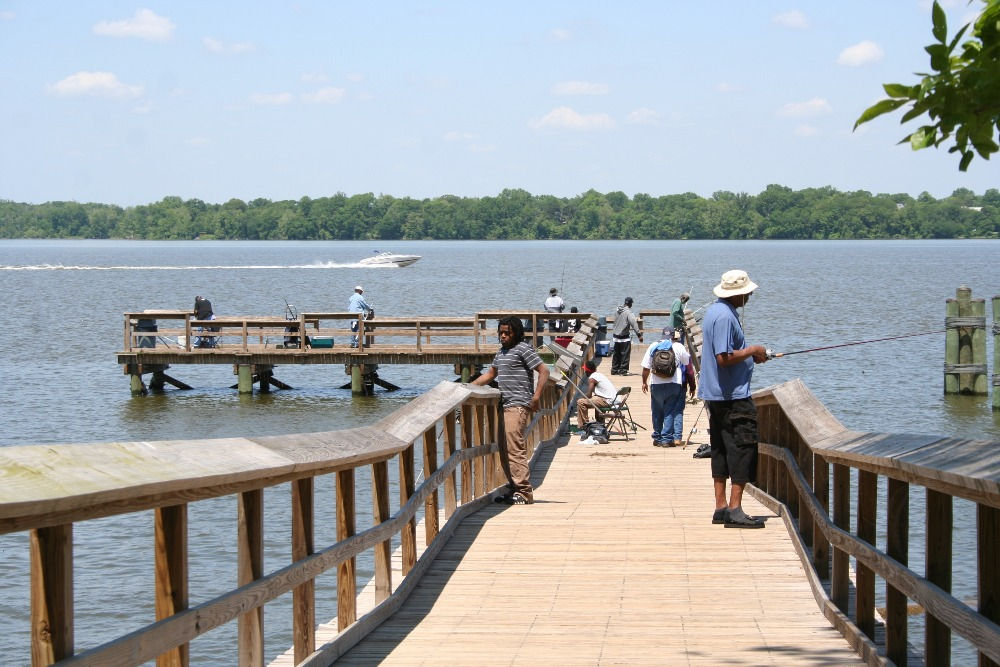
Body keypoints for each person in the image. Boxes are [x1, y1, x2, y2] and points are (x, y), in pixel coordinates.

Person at [698, 269, 769, 529]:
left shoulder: (714, 312)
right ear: (737, 294)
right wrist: (753, 350)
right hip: (732, 396)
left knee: (720, 449)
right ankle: (735, 509)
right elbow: (724, 358)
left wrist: (750, 357)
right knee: (742, 447)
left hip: (717, 395)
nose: (749, 296)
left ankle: (721, 507)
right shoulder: (725, 317)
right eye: (746, 293)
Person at [471, 316, 550, 505]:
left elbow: (544, 371)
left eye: (507, 333)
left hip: (519, 404)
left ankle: (524, 491)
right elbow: (491, 374)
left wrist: (536, 397)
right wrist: (468, 387)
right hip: (504, 405)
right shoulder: (501, 352)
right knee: (504, 448)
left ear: (516, 333)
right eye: (501, 333)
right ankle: (514, 487)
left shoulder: (523, 349)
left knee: (514, 449)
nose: (503, 336)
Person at [641, 326, 690, 447]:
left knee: (657, 411)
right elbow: (686, 362)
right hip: (674, 383)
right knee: (670, 411)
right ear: (673, 336)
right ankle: (667, 439)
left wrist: (644, 382)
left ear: (662, 335)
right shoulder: (678, 346)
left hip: (656, 383)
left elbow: (646, 368)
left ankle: (657, 437)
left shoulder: (654, 345)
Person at [575, 358, 617, 431]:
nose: (585, 372)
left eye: (585, 370)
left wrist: (581, 397)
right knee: (595, 399)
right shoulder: (599, 375)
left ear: (588, 371)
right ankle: (600, 424)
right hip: (613, 399)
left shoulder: (592, 378)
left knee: (580, 402)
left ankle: (584, 426)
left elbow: (589, 395)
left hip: (608, 401)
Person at [610, 296, 642, 375]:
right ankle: (623, 370)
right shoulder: (629, 313)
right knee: (625, 355)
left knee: (616, 354)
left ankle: (614, 369)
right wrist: (639, 335)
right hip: (624, 337)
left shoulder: (617, 311)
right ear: (630, 304)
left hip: (616, 336)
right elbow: (634, 324)